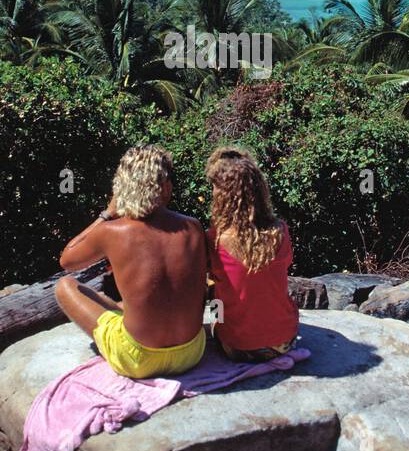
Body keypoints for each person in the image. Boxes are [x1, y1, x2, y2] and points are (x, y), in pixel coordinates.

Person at [54, 145, 208, 379]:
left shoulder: (112, 232)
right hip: (191, 354)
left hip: (138, 361)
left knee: (65, 285)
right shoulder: (193, 227)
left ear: (122, 188)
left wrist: (107, 213)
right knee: (114, 301)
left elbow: (68, 260)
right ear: (165, 188)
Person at [204, 147, 299, 362]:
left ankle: (219, 325)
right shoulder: (280, 231)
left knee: (212, 287)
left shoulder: (214, 239)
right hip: (284, 342)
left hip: (236, 346)